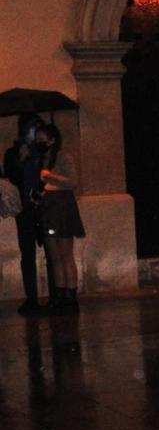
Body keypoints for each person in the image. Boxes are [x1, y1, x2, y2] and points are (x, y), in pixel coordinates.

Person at [30, 123, 85, 314]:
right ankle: (59, 296)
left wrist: (50, 176)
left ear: (52, 140)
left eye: (42, 140)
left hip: (63, 208)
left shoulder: (62, 156)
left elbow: (73, 181)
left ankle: (71, 296)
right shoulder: (40, 158)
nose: (38, 143)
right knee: (54, 257)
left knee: (65, 255)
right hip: (48, 209)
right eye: (36, 140)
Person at [6, 115, 50, 314]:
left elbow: (49, 174)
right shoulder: (12, 152)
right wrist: (21, 160)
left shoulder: (43, 151)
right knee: (28, 254)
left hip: (43, 207)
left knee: (51, 251)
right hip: (24, 210)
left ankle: (57, 296)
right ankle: (31, 298)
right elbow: (10, 176)